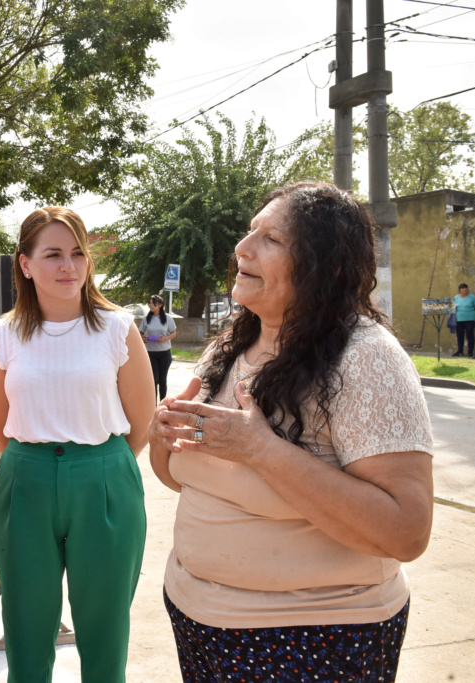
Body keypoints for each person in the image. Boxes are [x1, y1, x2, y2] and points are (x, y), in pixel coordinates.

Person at [150, 182, 434, 682]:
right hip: (199, 622)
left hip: (312, 640)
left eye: (272, 239)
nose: (242, 247)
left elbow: (406, 531)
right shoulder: (232, 344)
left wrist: (261, 450)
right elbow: (181, 479)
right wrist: (163, 434)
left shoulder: (368, 358)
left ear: (330, 268)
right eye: (249, 232)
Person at [0, 207, 153, 682]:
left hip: (104, 479)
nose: (68, 266)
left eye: (78, 253)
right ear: (25, 264)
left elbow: (141, 420)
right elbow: (1, 427)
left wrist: (96, 467)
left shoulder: (117, 328)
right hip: (26, 481)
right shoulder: (4, 335)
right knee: (27, 628)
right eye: (53, 254)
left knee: (105, 629)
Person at [139, 294, 178, 401]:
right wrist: (143, 338)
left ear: (159, 305)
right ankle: (153, 405)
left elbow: (174, 333)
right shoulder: (146, 319)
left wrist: (165, 339)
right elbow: (140, 333)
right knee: (154, 380)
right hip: (151, 353)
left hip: (165, 353)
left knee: (162, 380)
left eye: (152, 303)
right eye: (150, 303)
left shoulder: (167, 318)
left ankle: (163, 403)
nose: (150, 305)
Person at [454, 282, 475, 357]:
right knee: (460, 335)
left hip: (470, 319)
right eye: (463, 288)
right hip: (459, 320)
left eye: (466, 288)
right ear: (460, 290)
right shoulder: (456, 298)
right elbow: (454, 308)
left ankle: (470, 351)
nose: (465, 289)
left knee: (469, 334)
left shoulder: (472, 297)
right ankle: (460, 351)